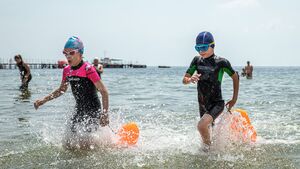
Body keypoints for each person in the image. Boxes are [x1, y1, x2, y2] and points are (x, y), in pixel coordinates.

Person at [34, 36, 109, 149]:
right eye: (65, 53)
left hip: (93, 109)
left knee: (87, 145)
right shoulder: (67, 70)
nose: (68, 56)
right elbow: (61, 90)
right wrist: (43, 100)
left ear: (80, 53)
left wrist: (105, 114)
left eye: (71, 53)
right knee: (68, 143)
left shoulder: (88, 69)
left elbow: (104, 91)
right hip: (79, 108)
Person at [182, 31, 239, 151]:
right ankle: (212, 152)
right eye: (198, 48)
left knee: (201, 125)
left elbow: (235, 77)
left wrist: (234, 99)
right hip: (202, 104)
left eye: (203, 47)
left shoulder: (221, 62)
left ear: (212, 46)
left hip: (216, 103)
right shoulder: (196, 61)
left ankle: (207, 151)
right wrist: (190, 79)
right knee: (208, 129)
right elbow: (184, 79)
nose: (201, 51)